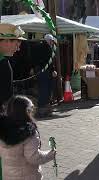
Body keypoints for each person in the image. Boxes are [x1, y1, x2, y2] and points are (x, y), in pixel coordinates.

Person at [0, 96, 56, 180]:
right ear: (26, 111)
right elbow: (34, 158)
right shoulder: (28, 132)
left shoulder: (2, 130)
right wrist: (50, 154)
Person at [0, 23, 26, 180]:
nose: (18, 47)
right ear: (4, 40)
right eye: (17, 42)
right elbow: (5, 102)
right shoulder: (3, 65)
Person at [36, 34, 57, 117]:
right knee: (46, 90)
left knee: (42, 89)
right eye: (51, 41)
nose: (52, 43)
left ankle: (41, 109)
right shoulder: (47, 48)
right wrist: (53, 70)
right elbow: (49, 61)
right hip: (46, 72)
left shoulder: (38, 47)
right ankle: (44, 110)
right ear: (49, 41)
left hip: (39, 71)